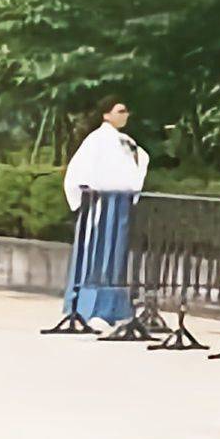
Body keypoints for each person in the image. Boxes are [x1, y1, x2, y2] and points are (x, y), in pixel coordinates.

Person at [58, 99, 150, 326]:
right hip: (100, 204)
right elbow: (79, 172)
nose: (125, 115)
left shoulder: (125, 142)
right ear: (106, 115)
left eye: (126, 110)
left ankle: (113, 307)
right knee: (97, 253)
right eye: (120, 111)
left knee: (115, 254)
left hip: (119, 204)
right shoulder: (96, 140)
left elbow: (139, 163)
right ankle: (87, 306)